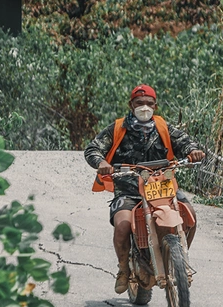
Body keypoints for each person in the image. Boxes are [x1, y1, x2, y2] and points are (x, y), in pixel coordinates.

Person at [84, 84, 205, 294]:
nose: (145, 107)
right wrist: (101, 162)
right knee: (122, 226)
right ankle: (123, 269)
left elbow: (185, 143)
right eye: (139, 103)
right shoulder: (117, 128)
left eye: (149, 103)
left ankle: (179, 259)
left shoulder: (163, 127)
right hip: (129, 189)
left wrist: (193, 151)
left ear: (155, 106)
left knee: (190, 216)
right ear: (131, 105)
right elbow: (92, 149)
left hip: (162, 186)